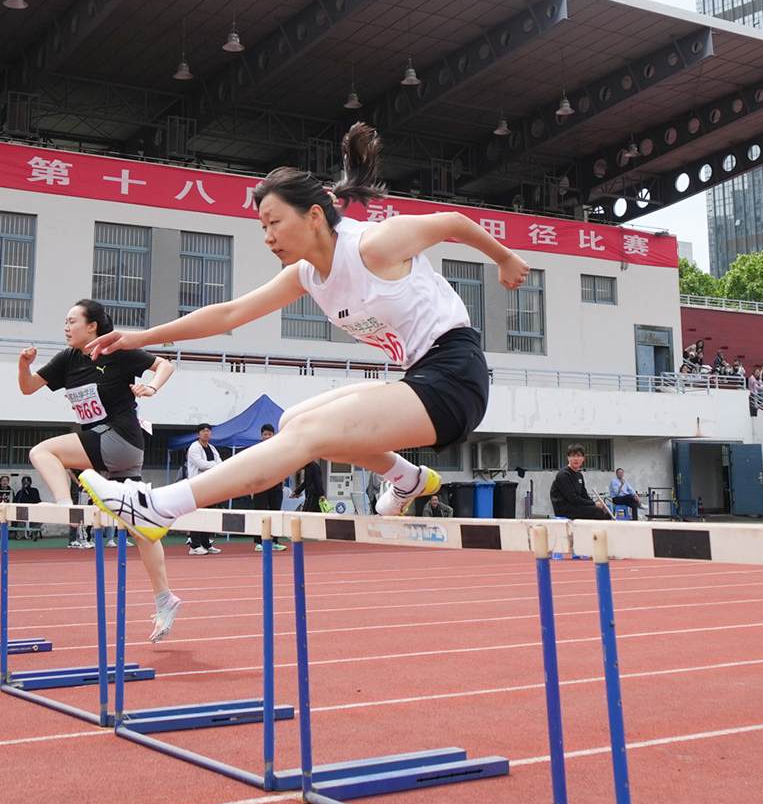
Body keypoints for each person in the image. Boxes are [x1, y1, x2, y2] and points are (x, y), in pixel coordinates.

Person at [75, 122, 530, 580]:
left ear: (314, 215)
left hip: (455, 374)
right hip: (420, 375)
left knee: (308, 432)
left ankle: (159, 506)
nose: (268, 236)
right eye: (262, 227)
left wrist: (505, 258)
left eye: (275, 222)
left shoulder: (373, 246)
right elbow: (230, 313)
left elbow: (451, 222)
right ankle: (407, 478)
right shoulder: (307, 275)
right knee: (292, 421)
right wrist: (139, 338)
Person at [17, 299, 180, 619]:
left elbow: (165, 364)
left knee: (42, 452)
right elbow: (29, 387)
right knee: (140, 526)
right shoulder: (67, 358)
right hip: (112, 448)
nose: (66, 327)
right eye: (65, 322)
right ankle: (165, 598)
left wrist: (151, 388)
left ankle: (66, 506)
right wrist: (24, 366)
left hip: (118, 437)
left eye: (72, 321)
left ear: (92, 326)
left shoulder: (115, 350)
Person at [183, 423, 223, 555]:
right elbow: (201, 464)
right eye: (203, 431)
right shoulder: (194, 448)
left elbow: (220, 463)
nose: (206, 433)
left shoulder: (212, 448)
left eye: (208, 431)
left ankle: (206, 544)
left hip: (210, 484)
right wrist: (214, 465)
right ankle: (195, 546)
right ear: (198, 434)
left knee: (208, 514)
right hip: (197, 485)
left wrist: (213, 466)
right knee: (198, 514)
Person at [251, 424, 288, 552]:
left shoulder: (279, 449)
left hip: (276, 486)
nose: (267, 436)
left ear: (274, 434)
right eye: (265, 434)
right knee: (260, 513)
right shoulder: (257, 450)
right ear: (262, 436)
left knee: (275, 513)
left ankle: (274, 541)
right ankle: (258, 542)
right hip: (261, 487)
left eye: (269, 434)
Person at [550, 443, 611, 519]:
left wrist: (597, 504)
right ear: (568, 458)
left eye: (579, 456)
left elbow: (584, 495)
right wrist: (593, 504)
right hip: (564, 508)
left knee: (607, 512)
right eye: (573, 456)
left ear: (583, 459)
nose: (576, 459)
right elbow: (573, 498)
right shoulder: (563, 475)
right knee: (598, 512)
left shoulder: (579, 475)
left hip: (575, 505)